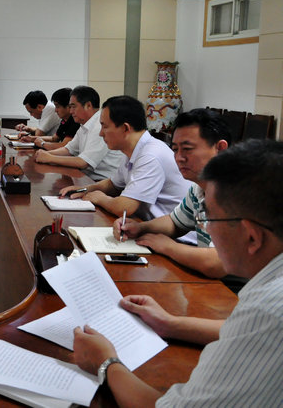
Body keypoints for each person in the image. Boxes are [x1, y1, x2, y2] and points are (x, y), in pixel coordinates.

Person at [73, 139, 283, 407]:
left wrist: (105, 363)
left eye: (209, 218)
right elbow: (247, 329)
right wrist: (169, 323)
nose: (205, 229)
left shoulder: (269, 309)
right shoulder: (267, 295)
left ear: (252, 237)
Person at [112, 108, 232, 280]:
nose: (179, 158)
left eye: (187, 149)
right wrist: (140, 228)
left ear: (220, 148)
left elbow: (216, 264)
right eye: (175, 149)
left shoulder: (236, 193)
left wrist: (168, 246)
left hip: (236, 287)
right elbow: (175, 223)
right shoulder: (199, 187)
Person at [59, 95, 189, 220]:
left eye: (105, 126)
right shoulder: (133, 150)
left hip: (171, 232)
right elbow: (113, 184)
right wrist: (85, 189)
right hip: (147, 224)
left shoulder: (150, 155)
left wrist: (100, 198)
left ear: (125, 128)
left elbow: (124, 208)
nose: (101, 133)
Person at [34, 86, 123, 180]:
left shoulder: (99, 126)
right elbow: (69, 149)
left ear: (88, 105)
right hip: (87, 176)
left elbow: (83, 162)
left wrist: (50, 158)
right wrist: (45, 154)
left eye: (73, 107)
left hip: (102, 181)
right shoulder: (85, 124)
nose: (71, 111)